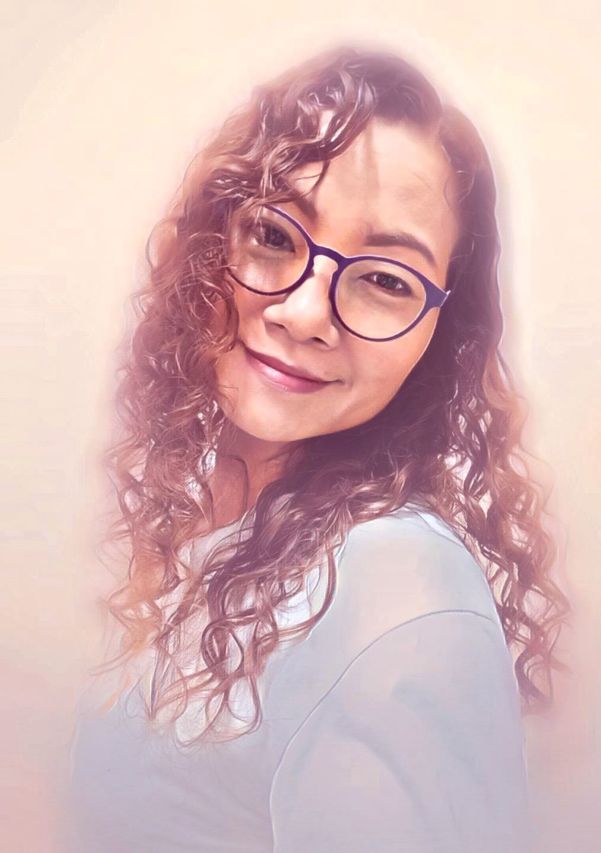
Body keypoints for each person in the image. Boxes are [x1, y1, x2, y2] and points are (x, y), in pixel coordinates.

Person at [63, 44, 569, 852]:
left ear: (441, 338)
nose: (304, 313)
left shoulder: (392, 583)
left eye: (386, 279)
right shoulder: (208, 529)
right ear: (210, 244)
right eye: (272, 233)